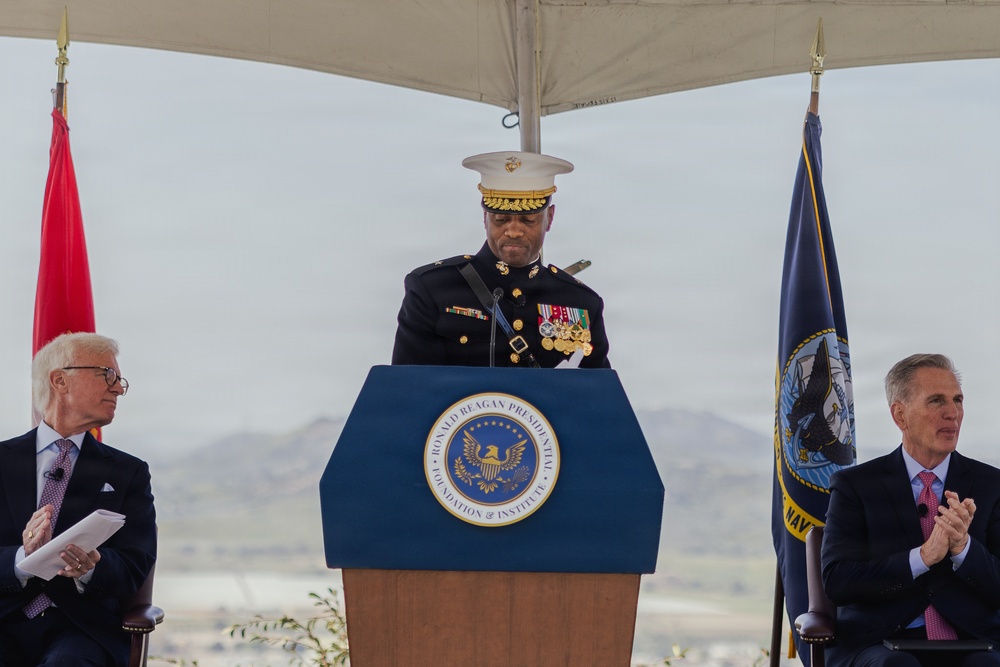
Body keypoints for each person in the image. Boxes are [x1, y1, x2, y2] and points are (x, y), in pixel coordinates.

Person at [821, 354, 1000, 667]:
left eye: (957, 400)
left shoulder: (991, 485)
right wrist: (924, 557)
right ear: (900, 415)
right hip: (880, 642)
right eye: (936, 401)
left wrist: (963, 549)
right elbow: (839, 582)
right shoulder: (855, 486)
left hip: (974, 640)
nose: (953, 413)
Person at [0, 333, 156, 667]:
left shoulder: (129, 472)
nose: (117, 388)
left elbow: (135, 566)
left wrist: (91, 568)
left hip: (82, 630)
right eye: (106, 375)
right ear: (59, 380)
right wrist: (21, 558)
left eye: (119, 380)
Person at [391, 150, 611, 368]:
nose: (513, 231)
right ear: (485, 217)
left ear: (550, 218)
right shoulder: (433, 289)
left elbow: (599, 396)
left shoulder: (580, 302)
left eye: (528, 220)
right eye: (501, 219)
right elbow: (409, 389)